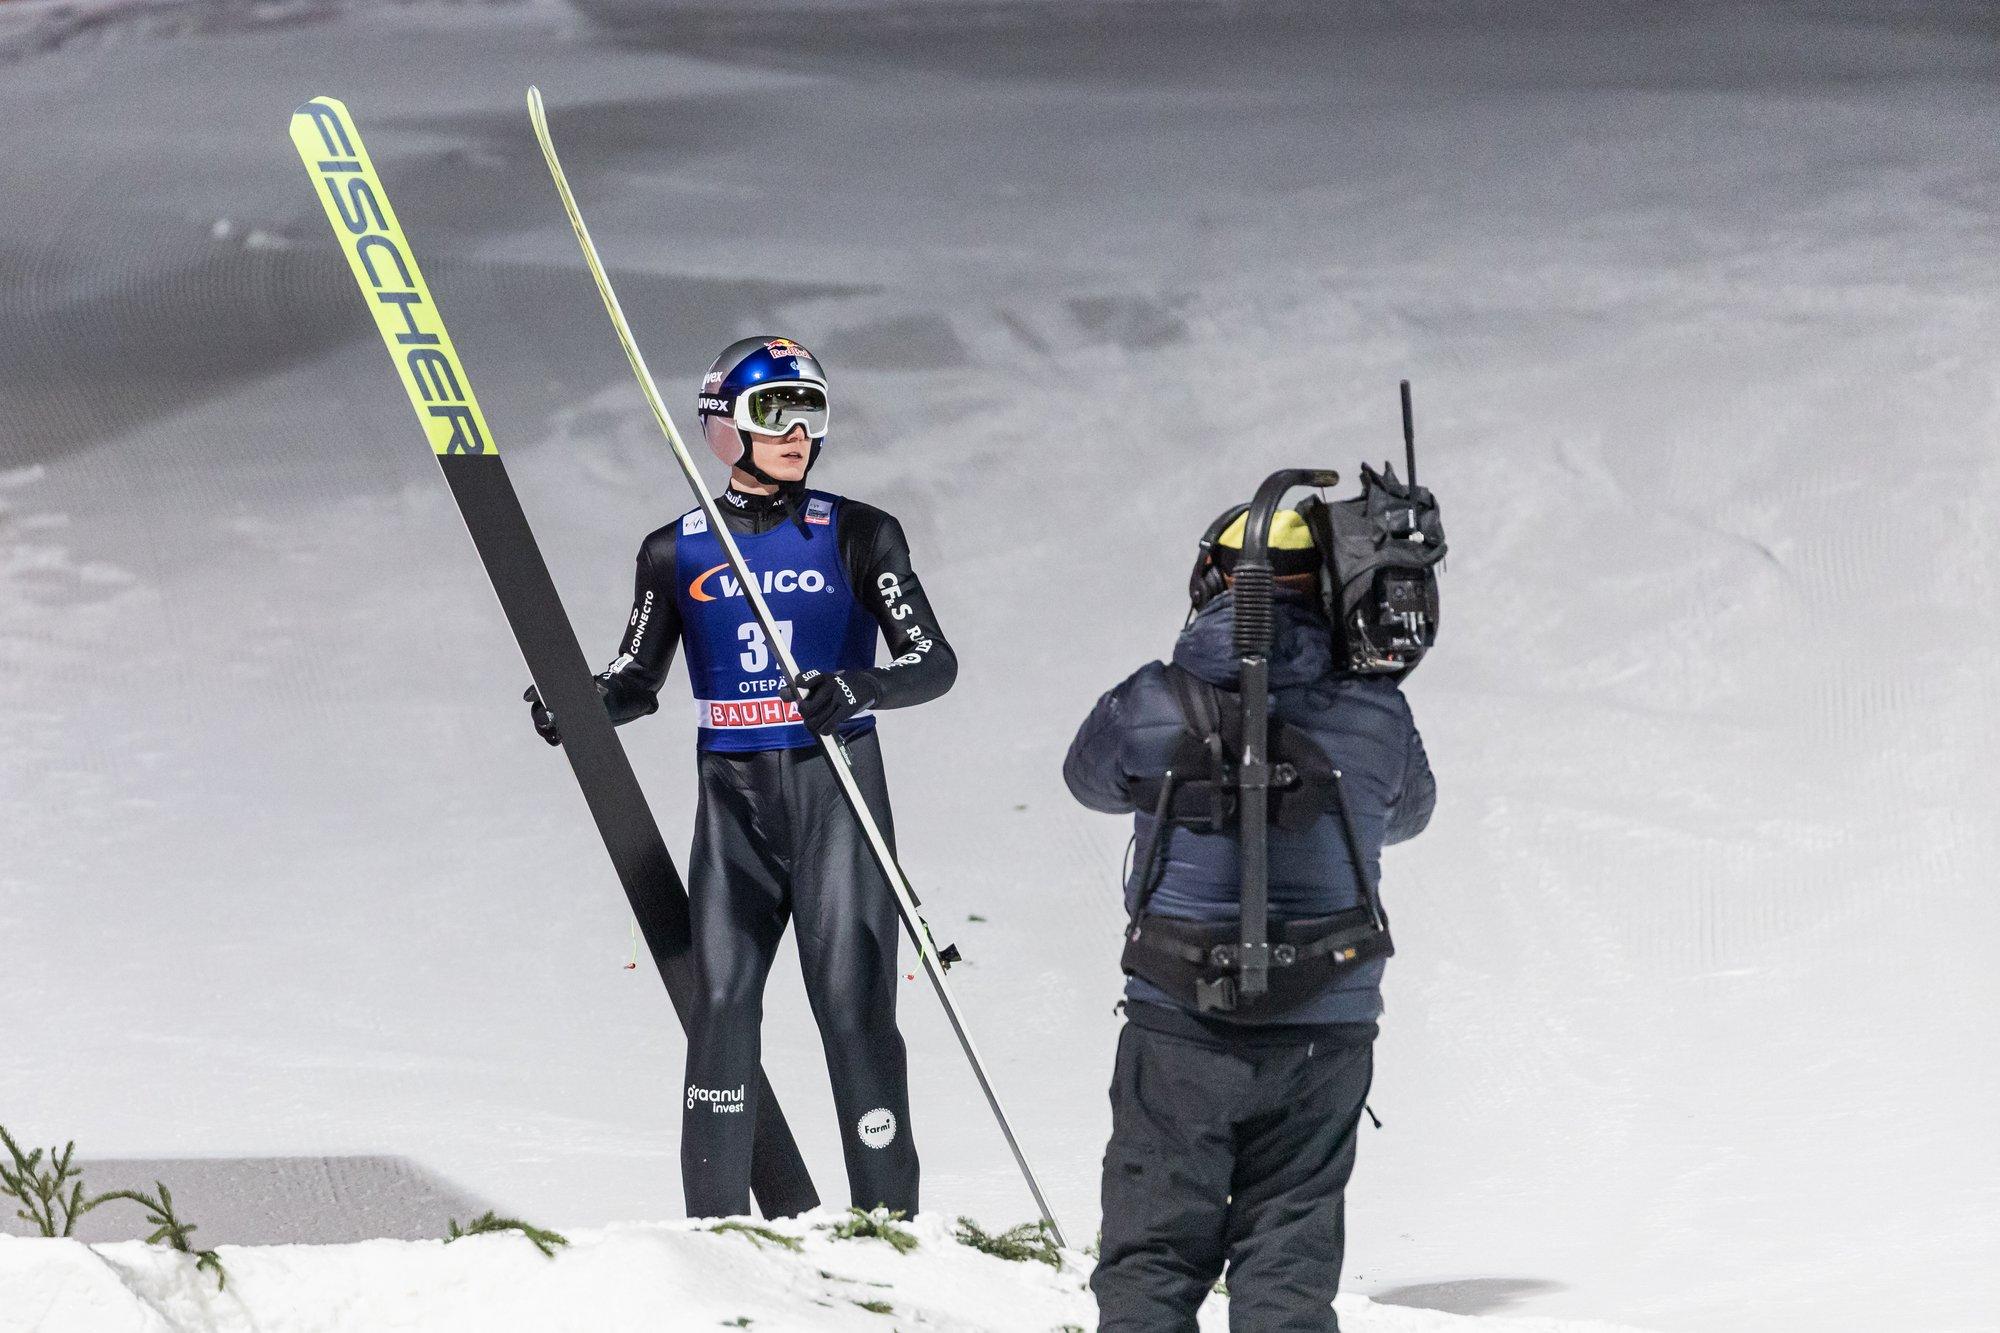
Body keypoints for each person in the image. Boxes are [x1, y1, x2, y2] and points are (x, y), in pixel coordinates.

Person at [526, 336, 956, 1219]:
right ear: (725, 429)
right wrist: (576, 707)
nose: (798, 432)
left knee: (854, 1011)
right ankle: (715, 1242)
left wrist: (858, 686)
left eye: (812, 410)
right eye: (774, 412)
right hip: (734, 811)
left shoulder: (860, 531)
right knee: (720, 1007)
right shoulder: (673, 552)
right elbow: (634, 685)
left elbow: (933, 660)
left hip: (836, 796)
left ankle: (890, 1227)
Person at [1063, 504, 1435, 1332]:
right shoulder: (1376, 712)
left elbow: (1087, 780)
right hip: (1323, 1026)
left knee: (1153, 1256)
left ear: (1211, 579)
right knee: (1289, 1265)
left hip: (1178, 1022)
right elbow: (1409, 813)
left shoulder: (1150, 700)